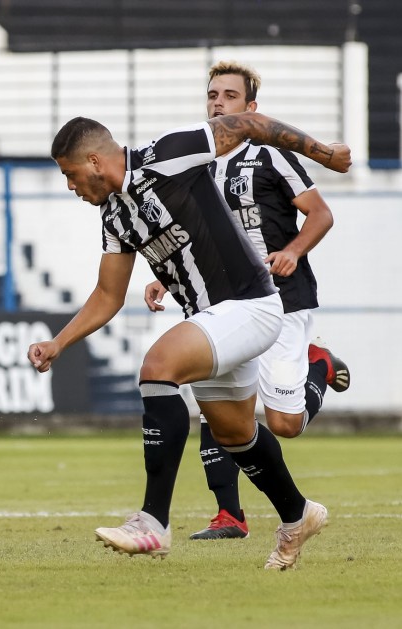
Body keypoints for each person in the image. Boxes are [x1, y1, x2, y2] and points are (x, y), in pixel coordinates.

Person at [29, 111, 350, 569]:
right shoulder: (115, 216)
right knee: (234, 433)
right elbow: (107, 294)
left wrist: (322, 153)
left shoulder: (168, 156)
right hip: (214, 319)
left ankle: (152, 523)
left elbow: (247, 123)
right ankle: (298, 515)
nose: (70, 185)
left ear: (95, 161)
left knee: (157, 368)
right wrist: (59, 343)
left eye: (70, 174)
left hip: (251, 304)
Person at [142, 61, 352, 541]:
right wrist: (163, 277)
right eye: (213, 94)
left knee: (283, 424)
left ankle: (317, 364)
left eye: (230, 96)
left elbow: (320, 214)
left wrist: (293, 251)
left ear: (251, 108)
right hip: (225, 300)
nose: (218, 102)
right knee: (217, 404)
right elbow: (185, 234)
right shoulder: (197, 164)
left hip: (284, 298)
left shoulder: (271, 156)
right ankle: (229, 515)